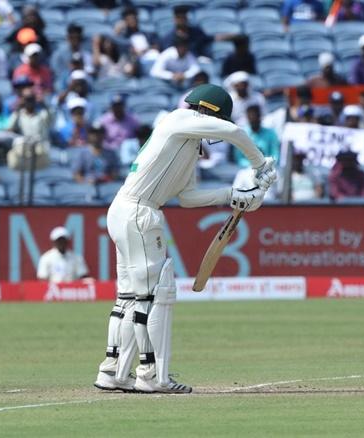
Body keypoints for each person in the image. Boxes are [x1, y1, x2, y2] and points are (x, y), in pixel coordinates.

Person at [93, 84, 277, 394]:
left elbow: (188, 197)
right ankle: (151, 375)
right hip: (139, 212)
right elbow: (234, 132)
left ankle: (113, 372)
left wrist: (236, 195)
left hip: (127, 211)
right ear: (207, 110)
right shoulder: (179, 118)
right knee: (154, 296)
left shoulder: (187, 144)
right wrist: (261, 165)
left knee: (128, 297)